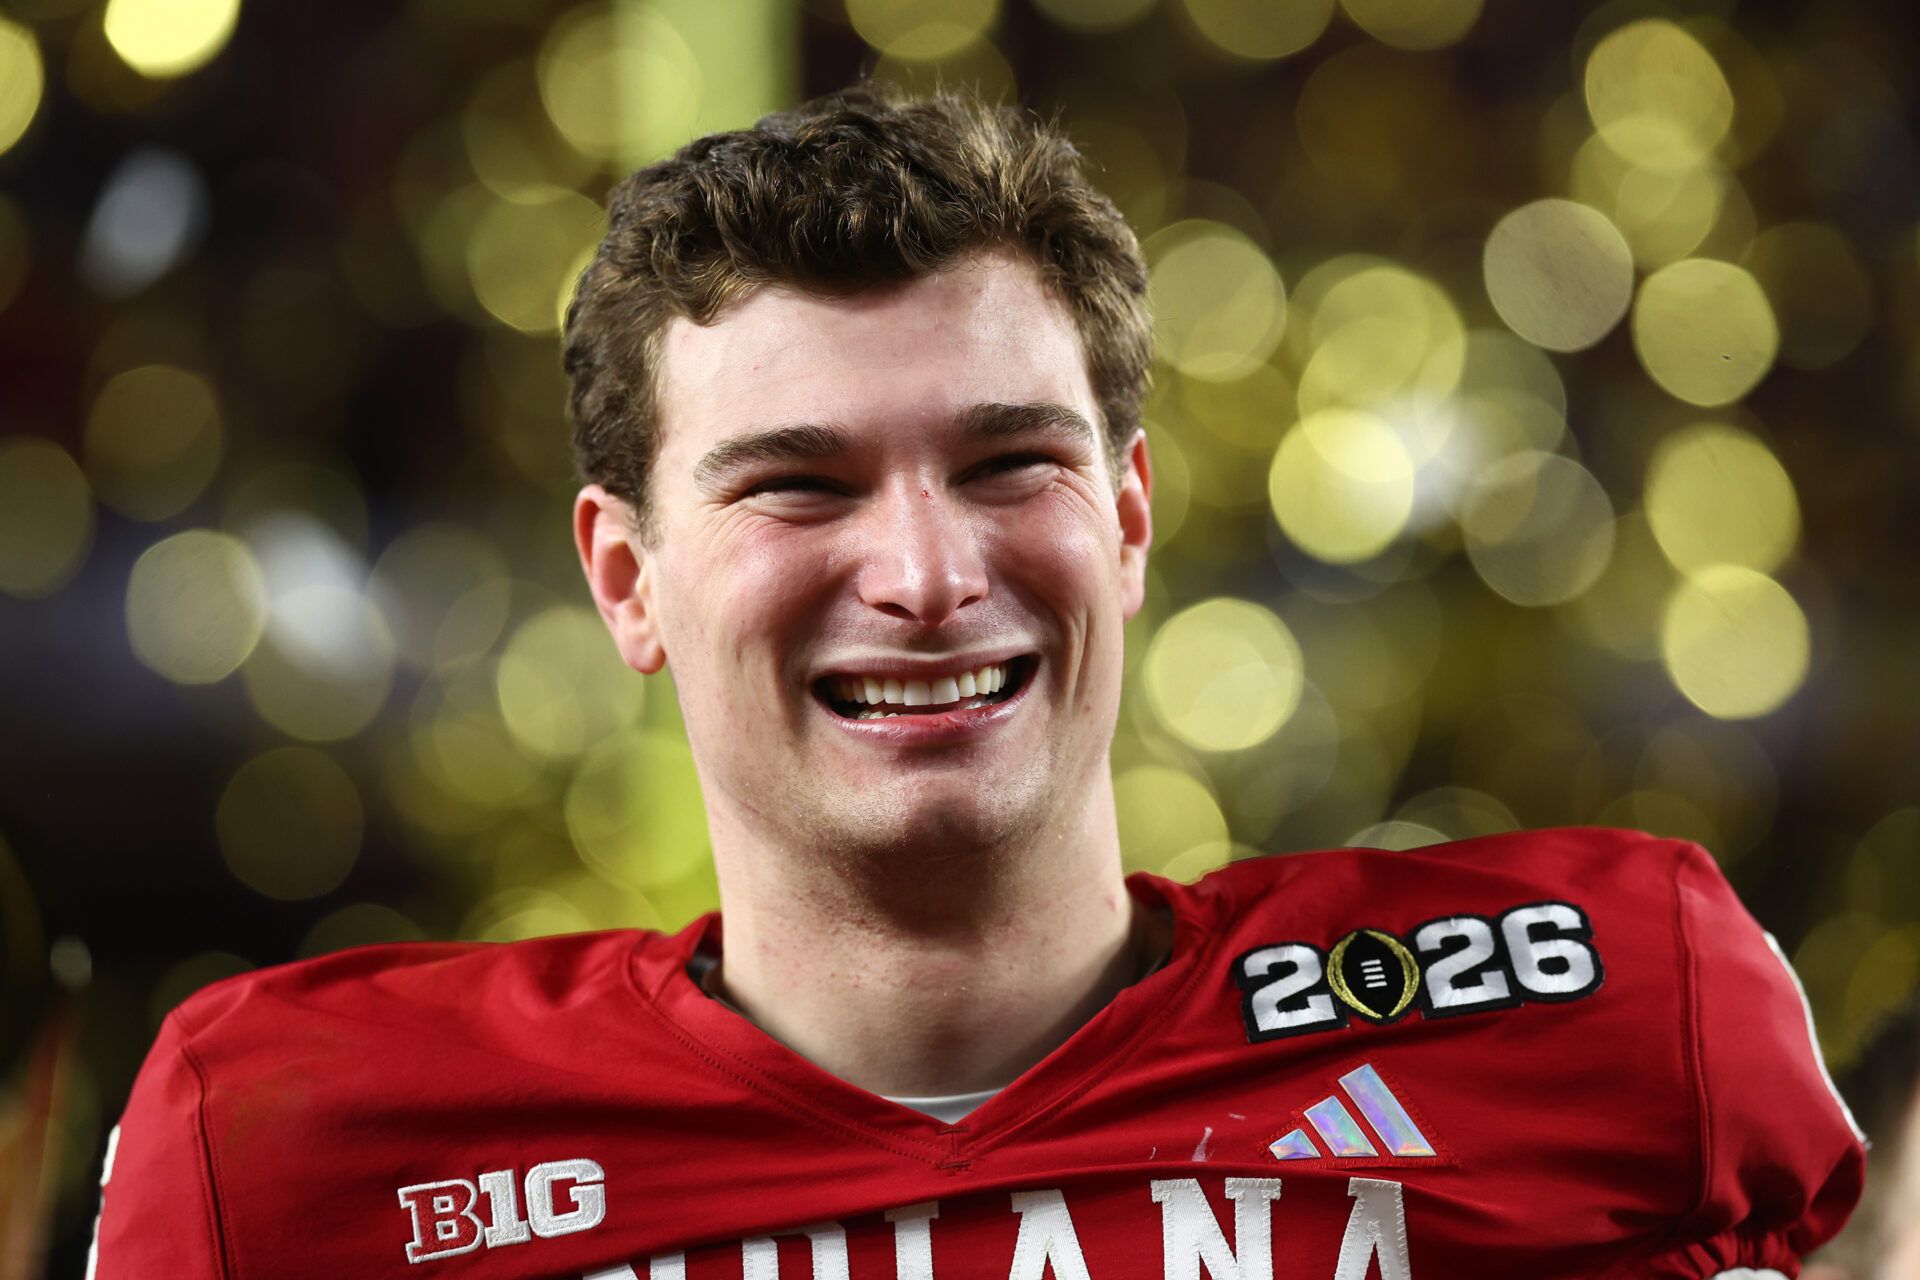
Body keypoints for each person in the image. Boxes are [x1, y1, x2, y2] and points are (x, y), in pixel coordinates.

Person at [89, 83, 1864, 1280]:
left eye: (1012, 462)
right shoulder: (292, 1150)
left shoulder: (1616, 1006)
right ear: (627, 579)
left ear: (1130, 518)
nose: (931, 578)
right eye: (799, 485)